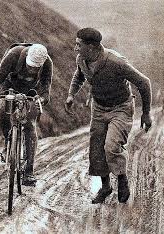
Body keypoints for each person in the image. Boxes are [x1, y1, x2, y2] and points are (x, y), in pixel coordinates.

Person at [65, 28, 152, 203]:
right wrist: (71, 95)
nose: (75, 48)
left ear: (90, 47)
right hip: (98, 108)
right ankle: (105, 187)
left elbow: (144, 83)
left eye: (78, 45)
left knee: (111, 146)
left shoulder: (116, 62)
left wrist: (146, 113)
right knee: (96, 149)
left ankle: (122, 179)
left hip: (121, 108)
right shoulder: (81, 58)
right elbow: (79, 76)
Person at [0, 43, 53, 186]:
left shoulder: (47, 63)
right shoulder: (14, 55)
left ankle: (29, 172)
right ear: (26, 58)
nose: (31, 70)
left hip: (31, 92)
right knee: (4, 111)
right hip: (8, 86)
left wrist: (41, 99)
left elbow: (46, 89)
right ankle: (7, 142)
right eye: (29, 66)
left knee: (30, 126)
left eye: (35, 69)